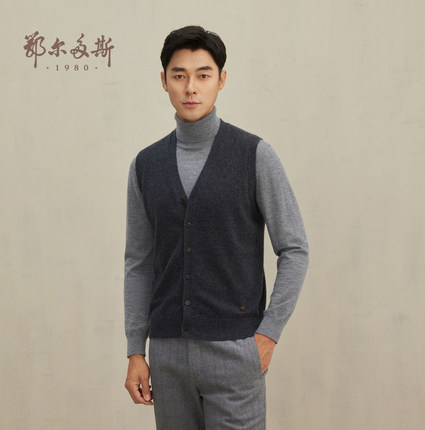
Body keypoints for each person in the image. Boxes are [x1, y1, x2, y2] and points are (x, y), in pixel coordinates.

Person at [124, 25, 309, 430]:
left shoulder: (254, 155)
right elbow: (138, 262)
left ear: (221, 80)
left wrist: (268, 334)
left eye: (203, 75)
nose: (191, 87)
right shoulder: (146, 165)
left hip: (235, 352)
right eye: (179, 75)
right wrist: (136, 349)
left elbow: (295, 248)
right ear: (164, 81)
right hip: (167, 355)